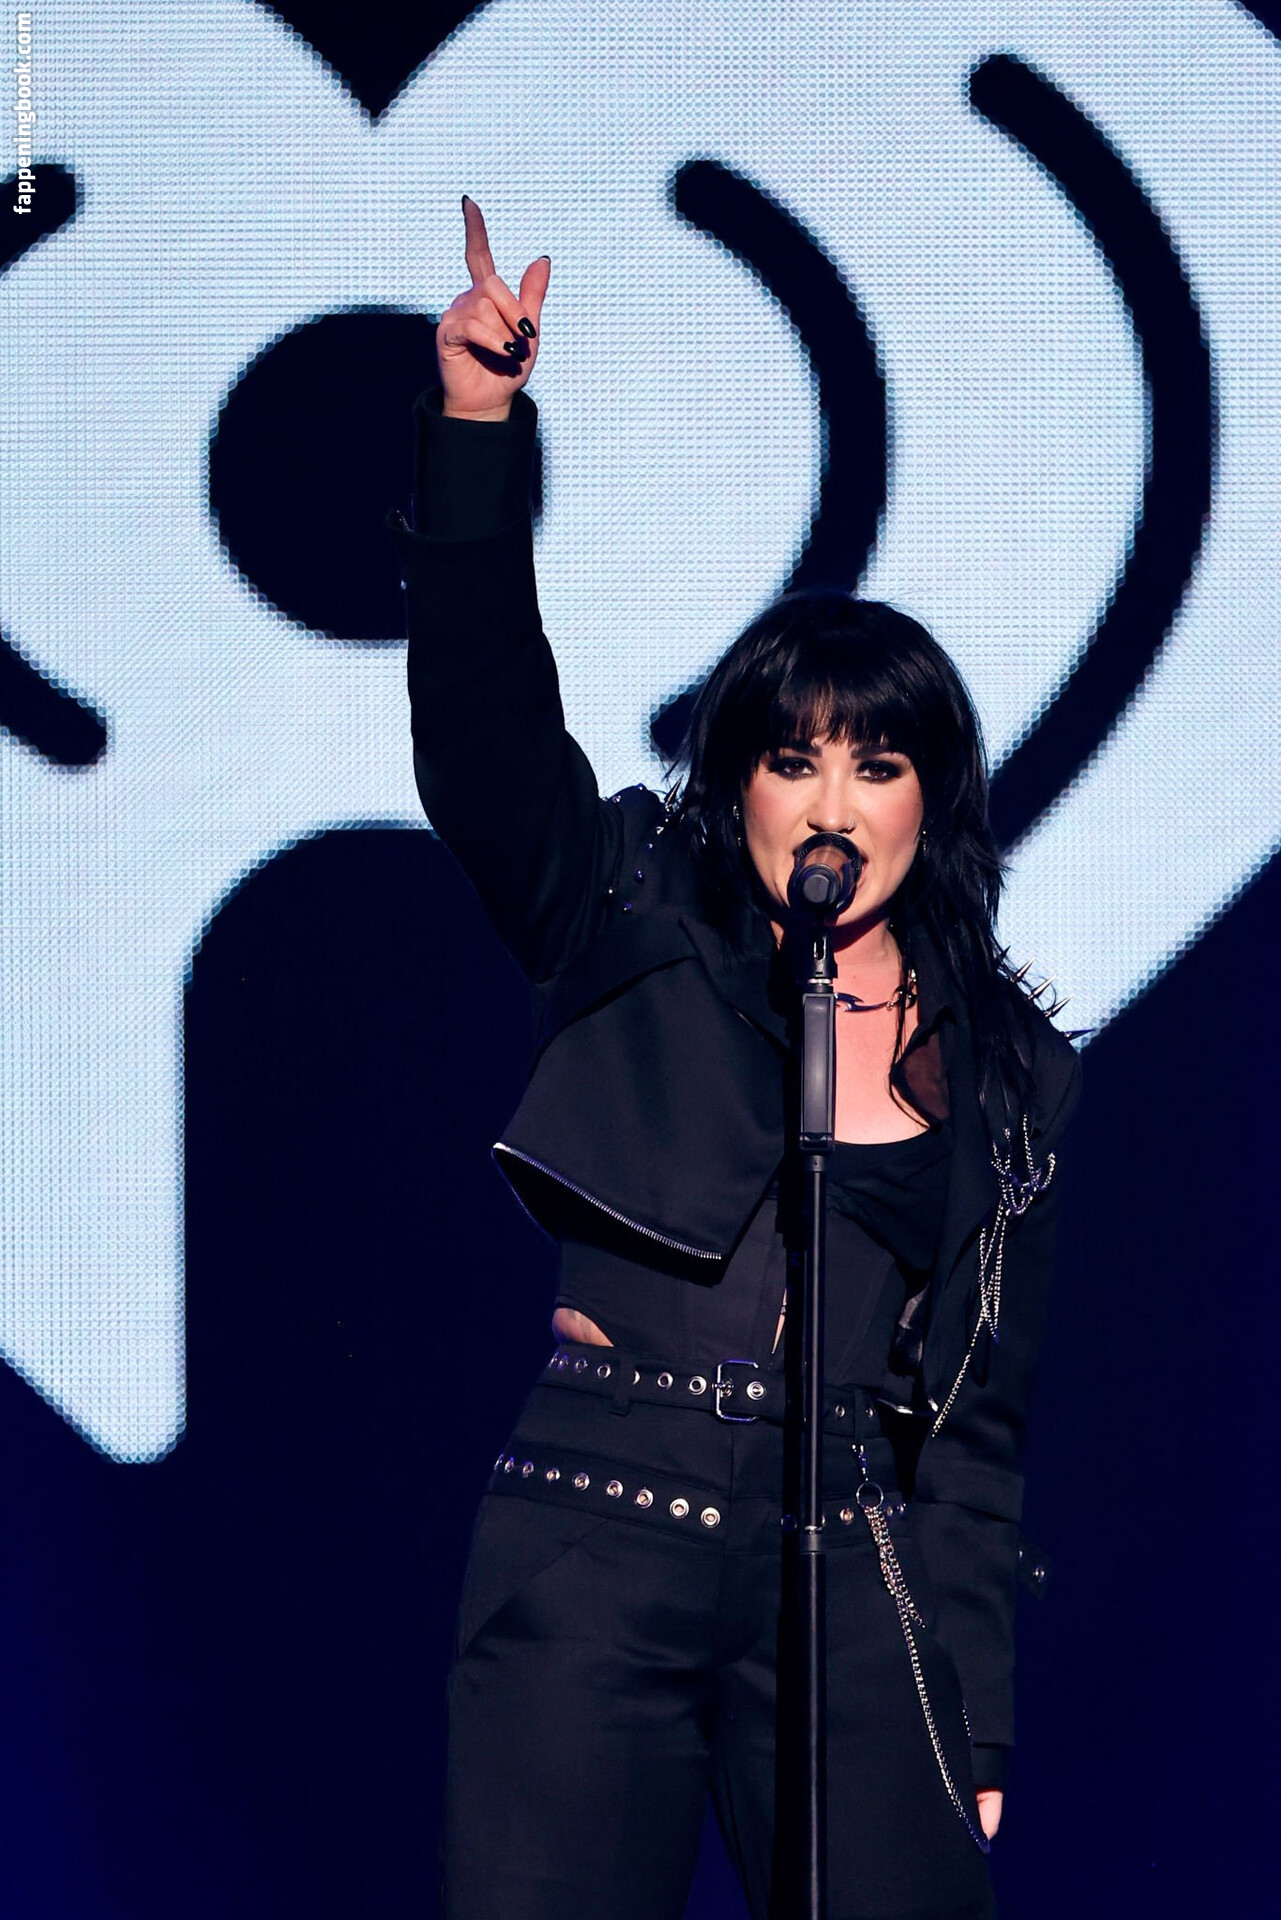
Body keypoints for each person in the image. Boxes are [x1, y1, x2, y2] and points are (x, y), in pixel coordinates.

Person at [386, 198, 1081, 1920]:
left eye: (875, 766)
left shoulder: (1007, 1072)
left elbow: (976, 1430)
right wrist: (476, 429)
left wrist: (977, 1711)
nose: (830, 804)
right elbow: (480, 731)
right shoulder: (628, 904)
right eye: (792, 760)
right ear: (740, 784)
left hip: (851, 1563)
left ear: (930, 799)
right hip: (599, 1527)